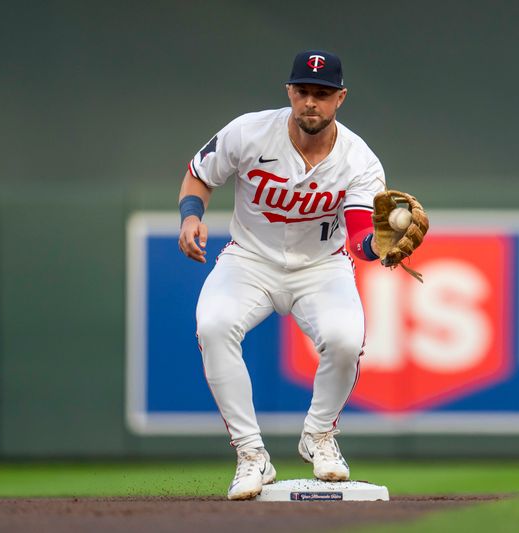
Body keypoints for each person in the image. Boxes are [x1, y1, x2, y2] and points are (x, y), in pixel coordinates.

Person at [177, 49, 386, 500]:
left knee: (346, 339)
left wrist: (379, 247)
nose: (312, 101)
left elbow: (359, 235)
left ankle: (319, 436)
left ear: (340, 98)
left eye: (323, 93)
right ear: (290, 92)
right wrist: (190, 216)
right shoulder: (248, 132)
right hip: (249, 258)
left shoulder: (359, 160)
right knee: (213, 326)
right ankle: (252, 454)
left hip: (322, 265)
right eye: (304, 91)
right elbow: (198, 175)